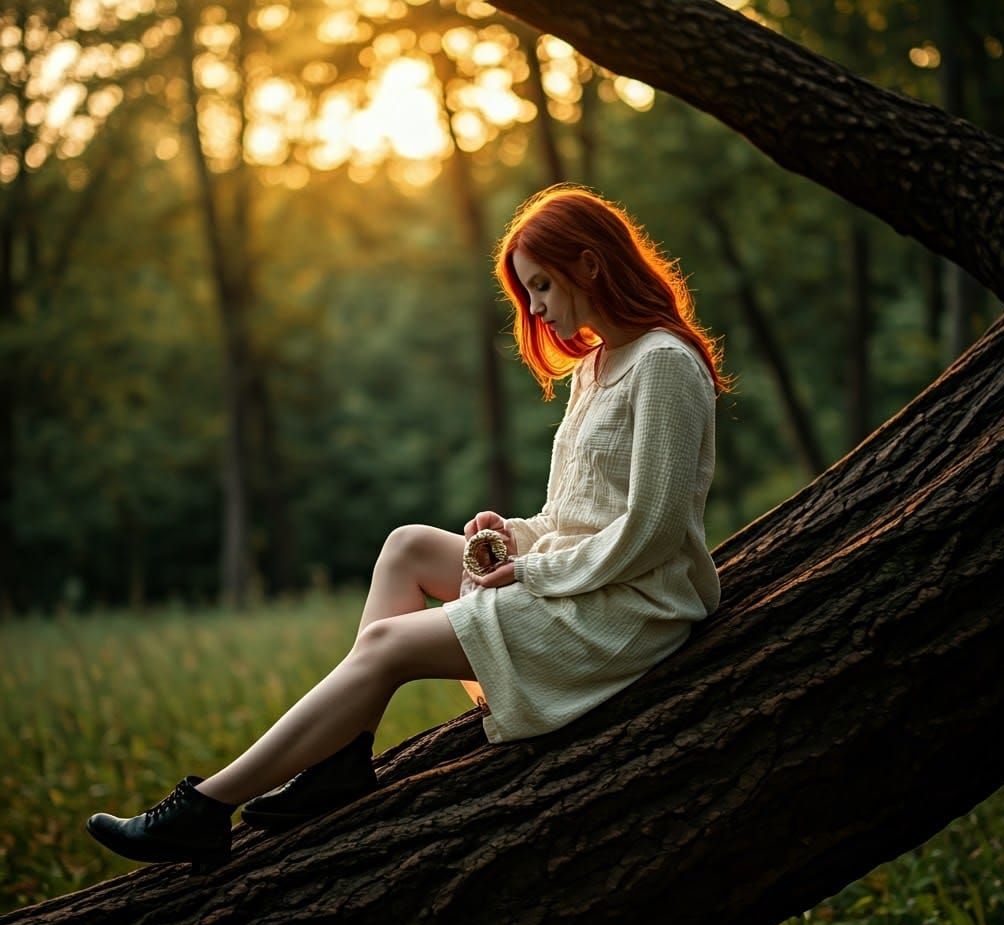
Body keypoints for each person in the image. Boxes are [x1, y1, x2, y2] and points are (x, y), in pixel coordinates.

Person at [85, 183, 732, 875]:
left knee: (389, 645)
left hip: (631, 610)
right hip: (580, 580)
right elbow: (571, 516)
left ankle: (205, 810)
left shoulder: (664, 364)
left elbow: (654, 530)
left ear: (590, 263)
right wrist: (514, 536)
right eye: (528, 292)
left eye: (541, 285)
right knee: (408, 546)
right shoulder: (595, 367)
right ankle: (340, 762)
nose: (537, 309)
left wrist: (532, 571)